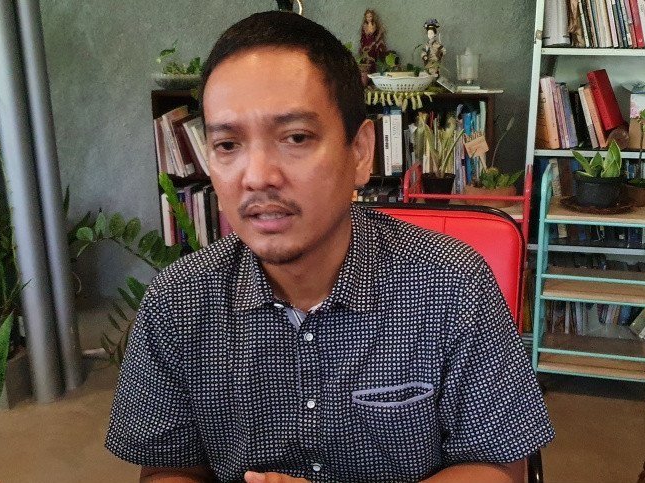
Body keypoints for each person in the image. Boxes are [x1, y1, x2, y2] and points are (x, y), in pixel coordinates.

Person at [106, 11, 553, 483]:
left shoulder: (453, 284)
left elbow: (498, 467)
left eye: (296, 137)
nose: (256, 177)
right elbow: (168, 470)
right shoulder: (176, 303)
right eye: (228, 145)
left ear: (359, 152)